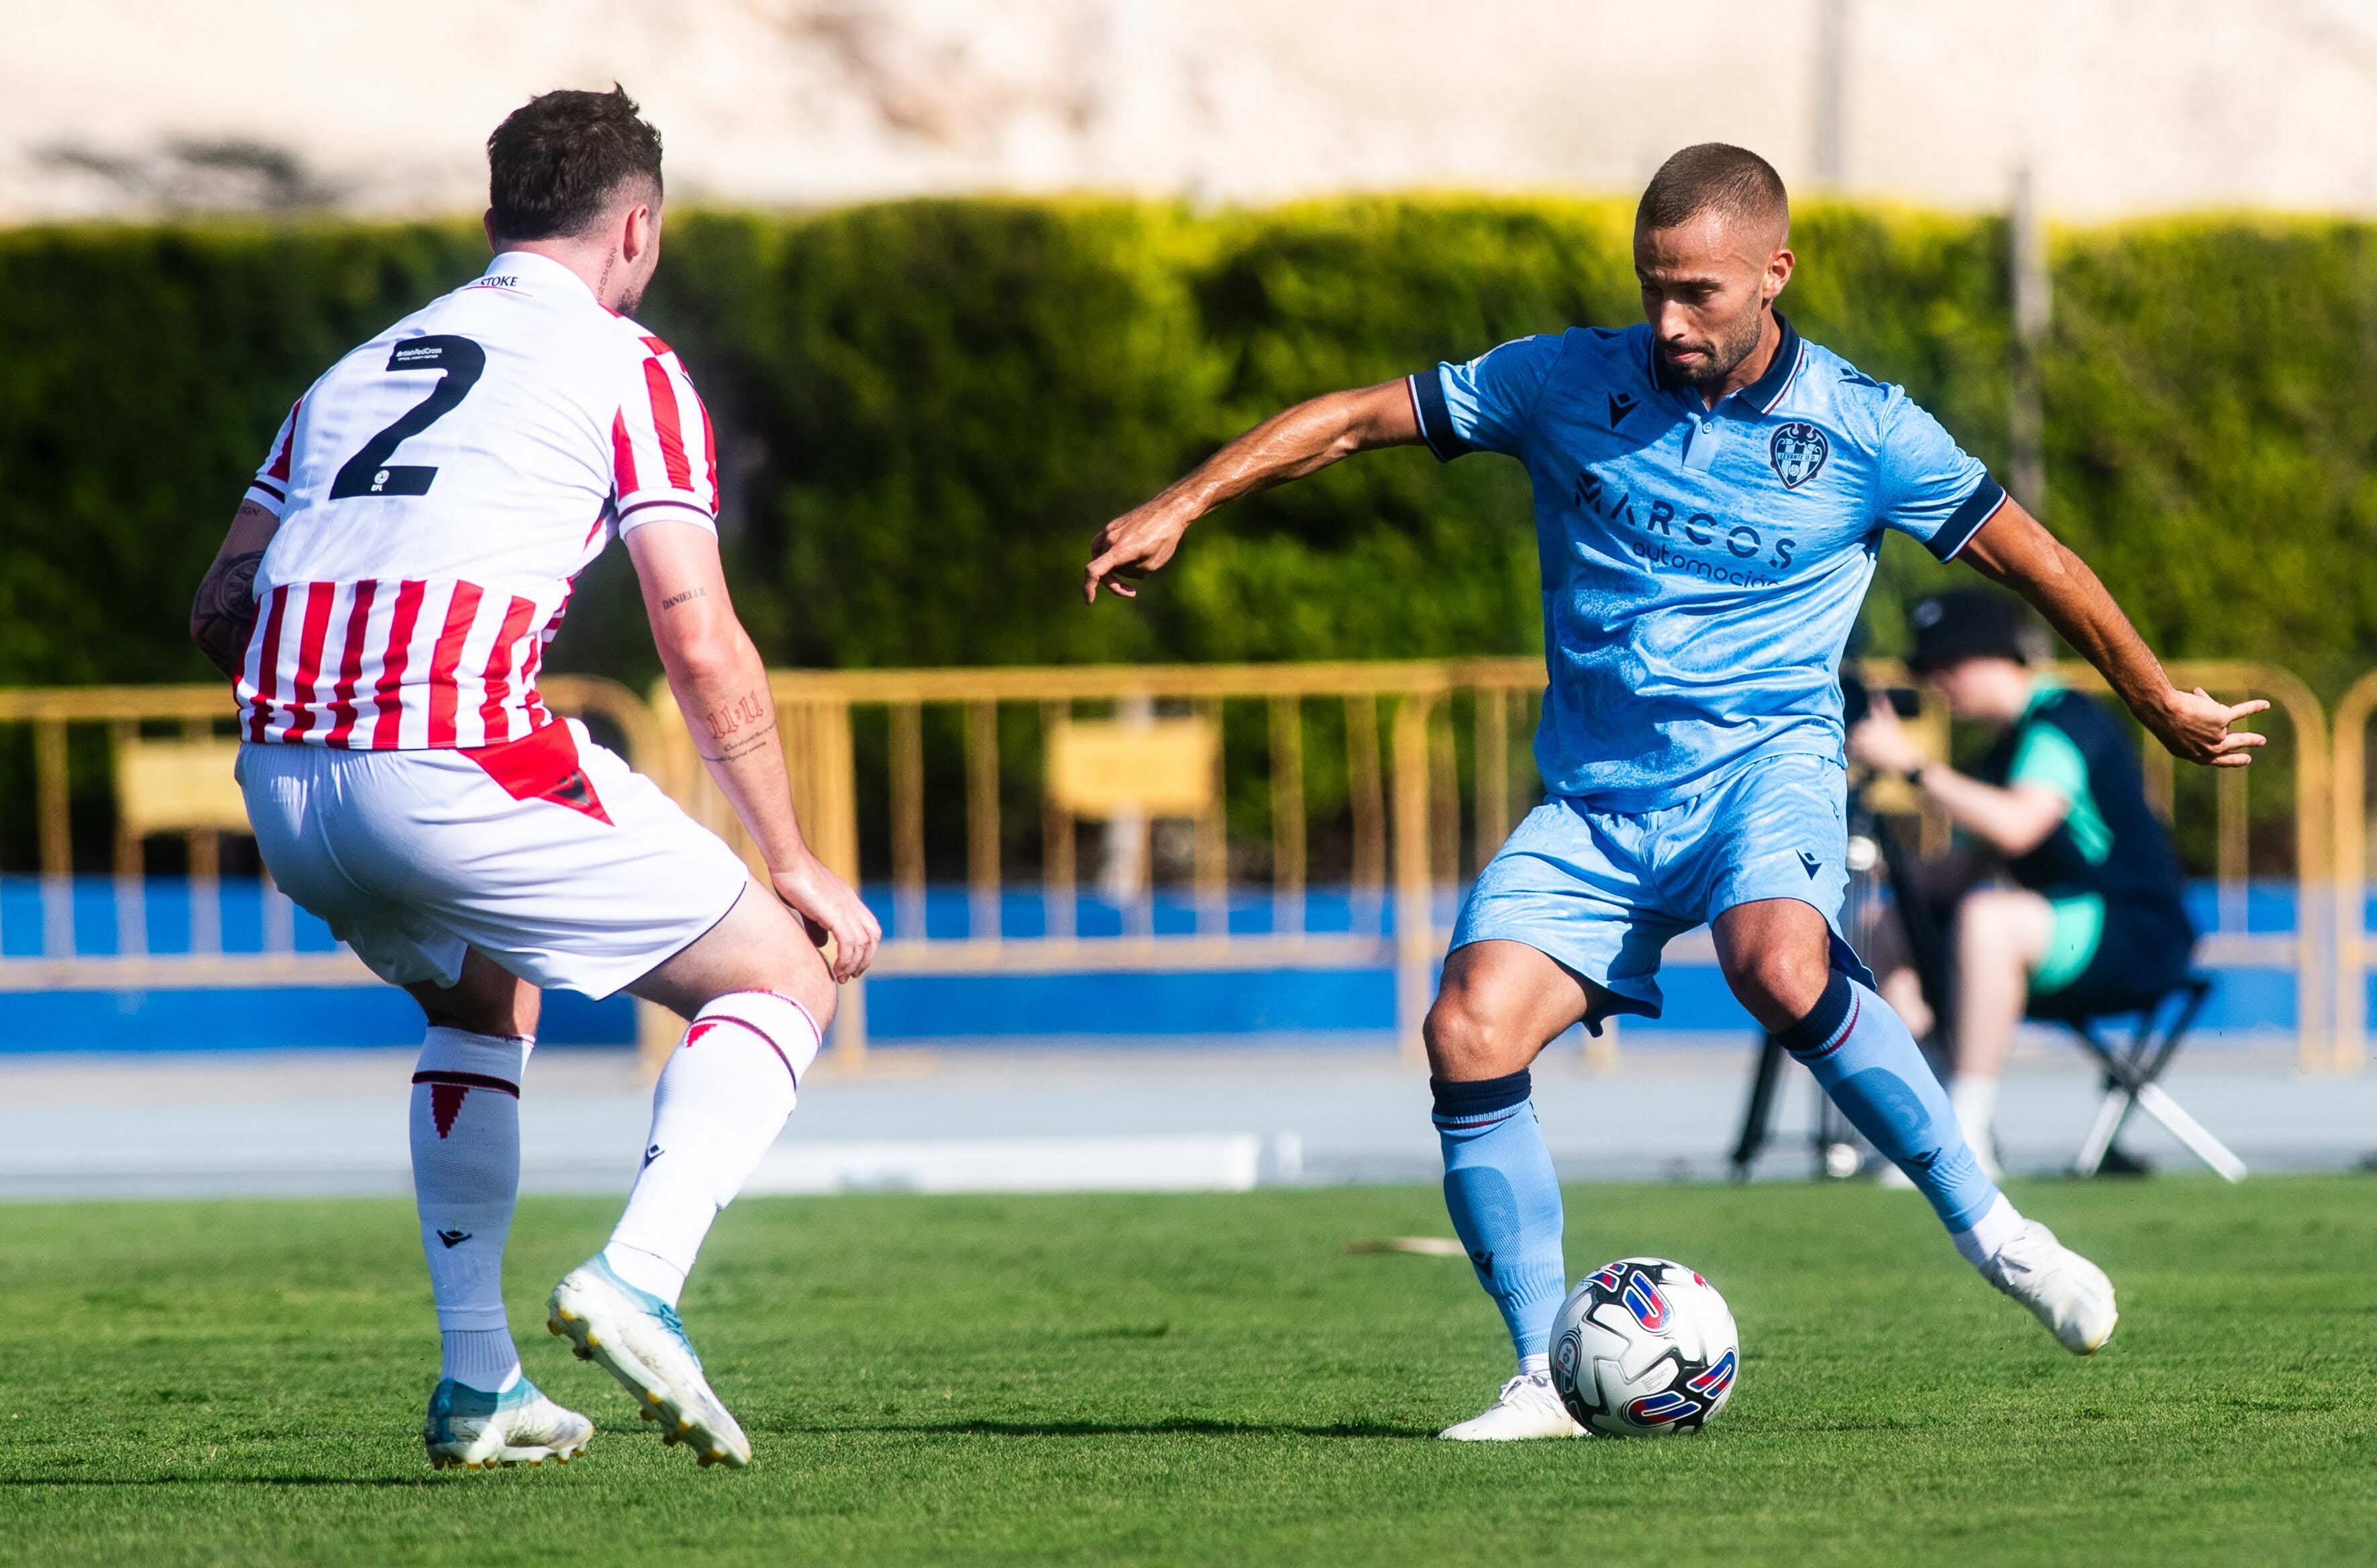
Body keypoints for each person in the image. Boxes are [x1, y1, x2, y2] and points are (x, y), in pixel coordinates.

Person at [1081, 143, 2265, 1440]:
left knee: (1777, 961)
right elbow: (1360, 417)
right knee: (1468, 1030)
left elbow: (2040, 561)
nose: (1667, 320)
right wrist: (1187, 500)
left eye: (1697, 292)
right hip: (1596, 804)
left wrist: (2155, 699)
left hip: (1764, 769)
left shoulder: (1867, 429)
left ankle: (1994, 1229)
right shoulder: (1559, 379)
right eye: (1651, 286)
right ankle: (1543, 1376)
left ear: (1775, 272)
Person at [188, 87, 880, 1471]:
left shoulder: (357, 368)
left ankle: (479, 1383)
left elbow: (222, 601)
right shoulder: (627, 364)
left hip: (285, 776)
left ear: (493, 215)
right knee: (781, 975)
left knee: (480, 992)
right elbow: (694, 630)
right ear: (636, 228)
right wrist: (792, 854)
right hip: (451, 756)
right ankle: (641, 1277)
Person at [1850, 588, 2198, 1177]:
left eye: (1943, 666)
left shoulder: (2062, 718)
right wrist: (1859, 860)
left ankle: (1965, 1136)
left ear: (1984, 656)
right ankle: (1925, 1126)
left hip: (2135, 933)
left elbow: (2015, 826)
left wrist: (1909, 765)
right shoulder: (1999, 754)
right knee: (1890, 923)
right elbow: (1953, 876)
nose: (1936, 684)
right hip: (2060, 936)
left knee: (1989, 920)